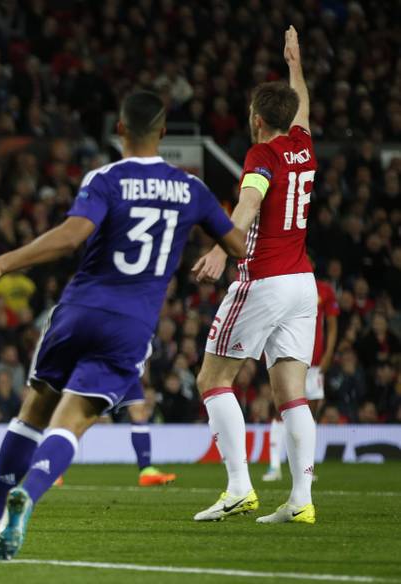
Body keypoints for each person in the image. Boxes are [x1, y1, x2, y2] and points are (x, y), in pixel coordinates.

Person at [0, 90, 245, 560]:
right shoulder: (192, 189)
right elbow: (237, 245)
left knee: (33, 412)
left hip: (79, 311)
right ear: (164, 132)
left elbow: (72, 236)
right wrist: (225, 231)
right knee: (73, 423)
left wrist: (2, 263)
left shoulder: (105, 178)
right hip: (131, 325)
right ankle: (29, 494)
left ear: (119, 129)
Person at [191, 26, 318, 524]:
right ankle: (302, 500)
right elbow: (301, 105)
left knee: (211, 377)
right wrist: (295, 65)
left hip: (262, 279)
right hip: (303, 284)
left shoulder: (261, 155)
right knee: (292, 394)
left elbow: (247, 204)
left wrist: (226, 248)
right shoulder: (303, 145)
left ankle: (239, 488)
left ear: (258, 118)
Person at [263, 261, 338, 481]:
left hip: (314, 363)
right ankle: (274, 466)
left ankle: (305, 468)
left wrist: (327, 357)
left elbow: (332, 327)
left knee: (309, 415)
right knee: (280, 411)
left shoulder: (324, 290)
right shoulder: (283, 285)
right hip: (288, 359)